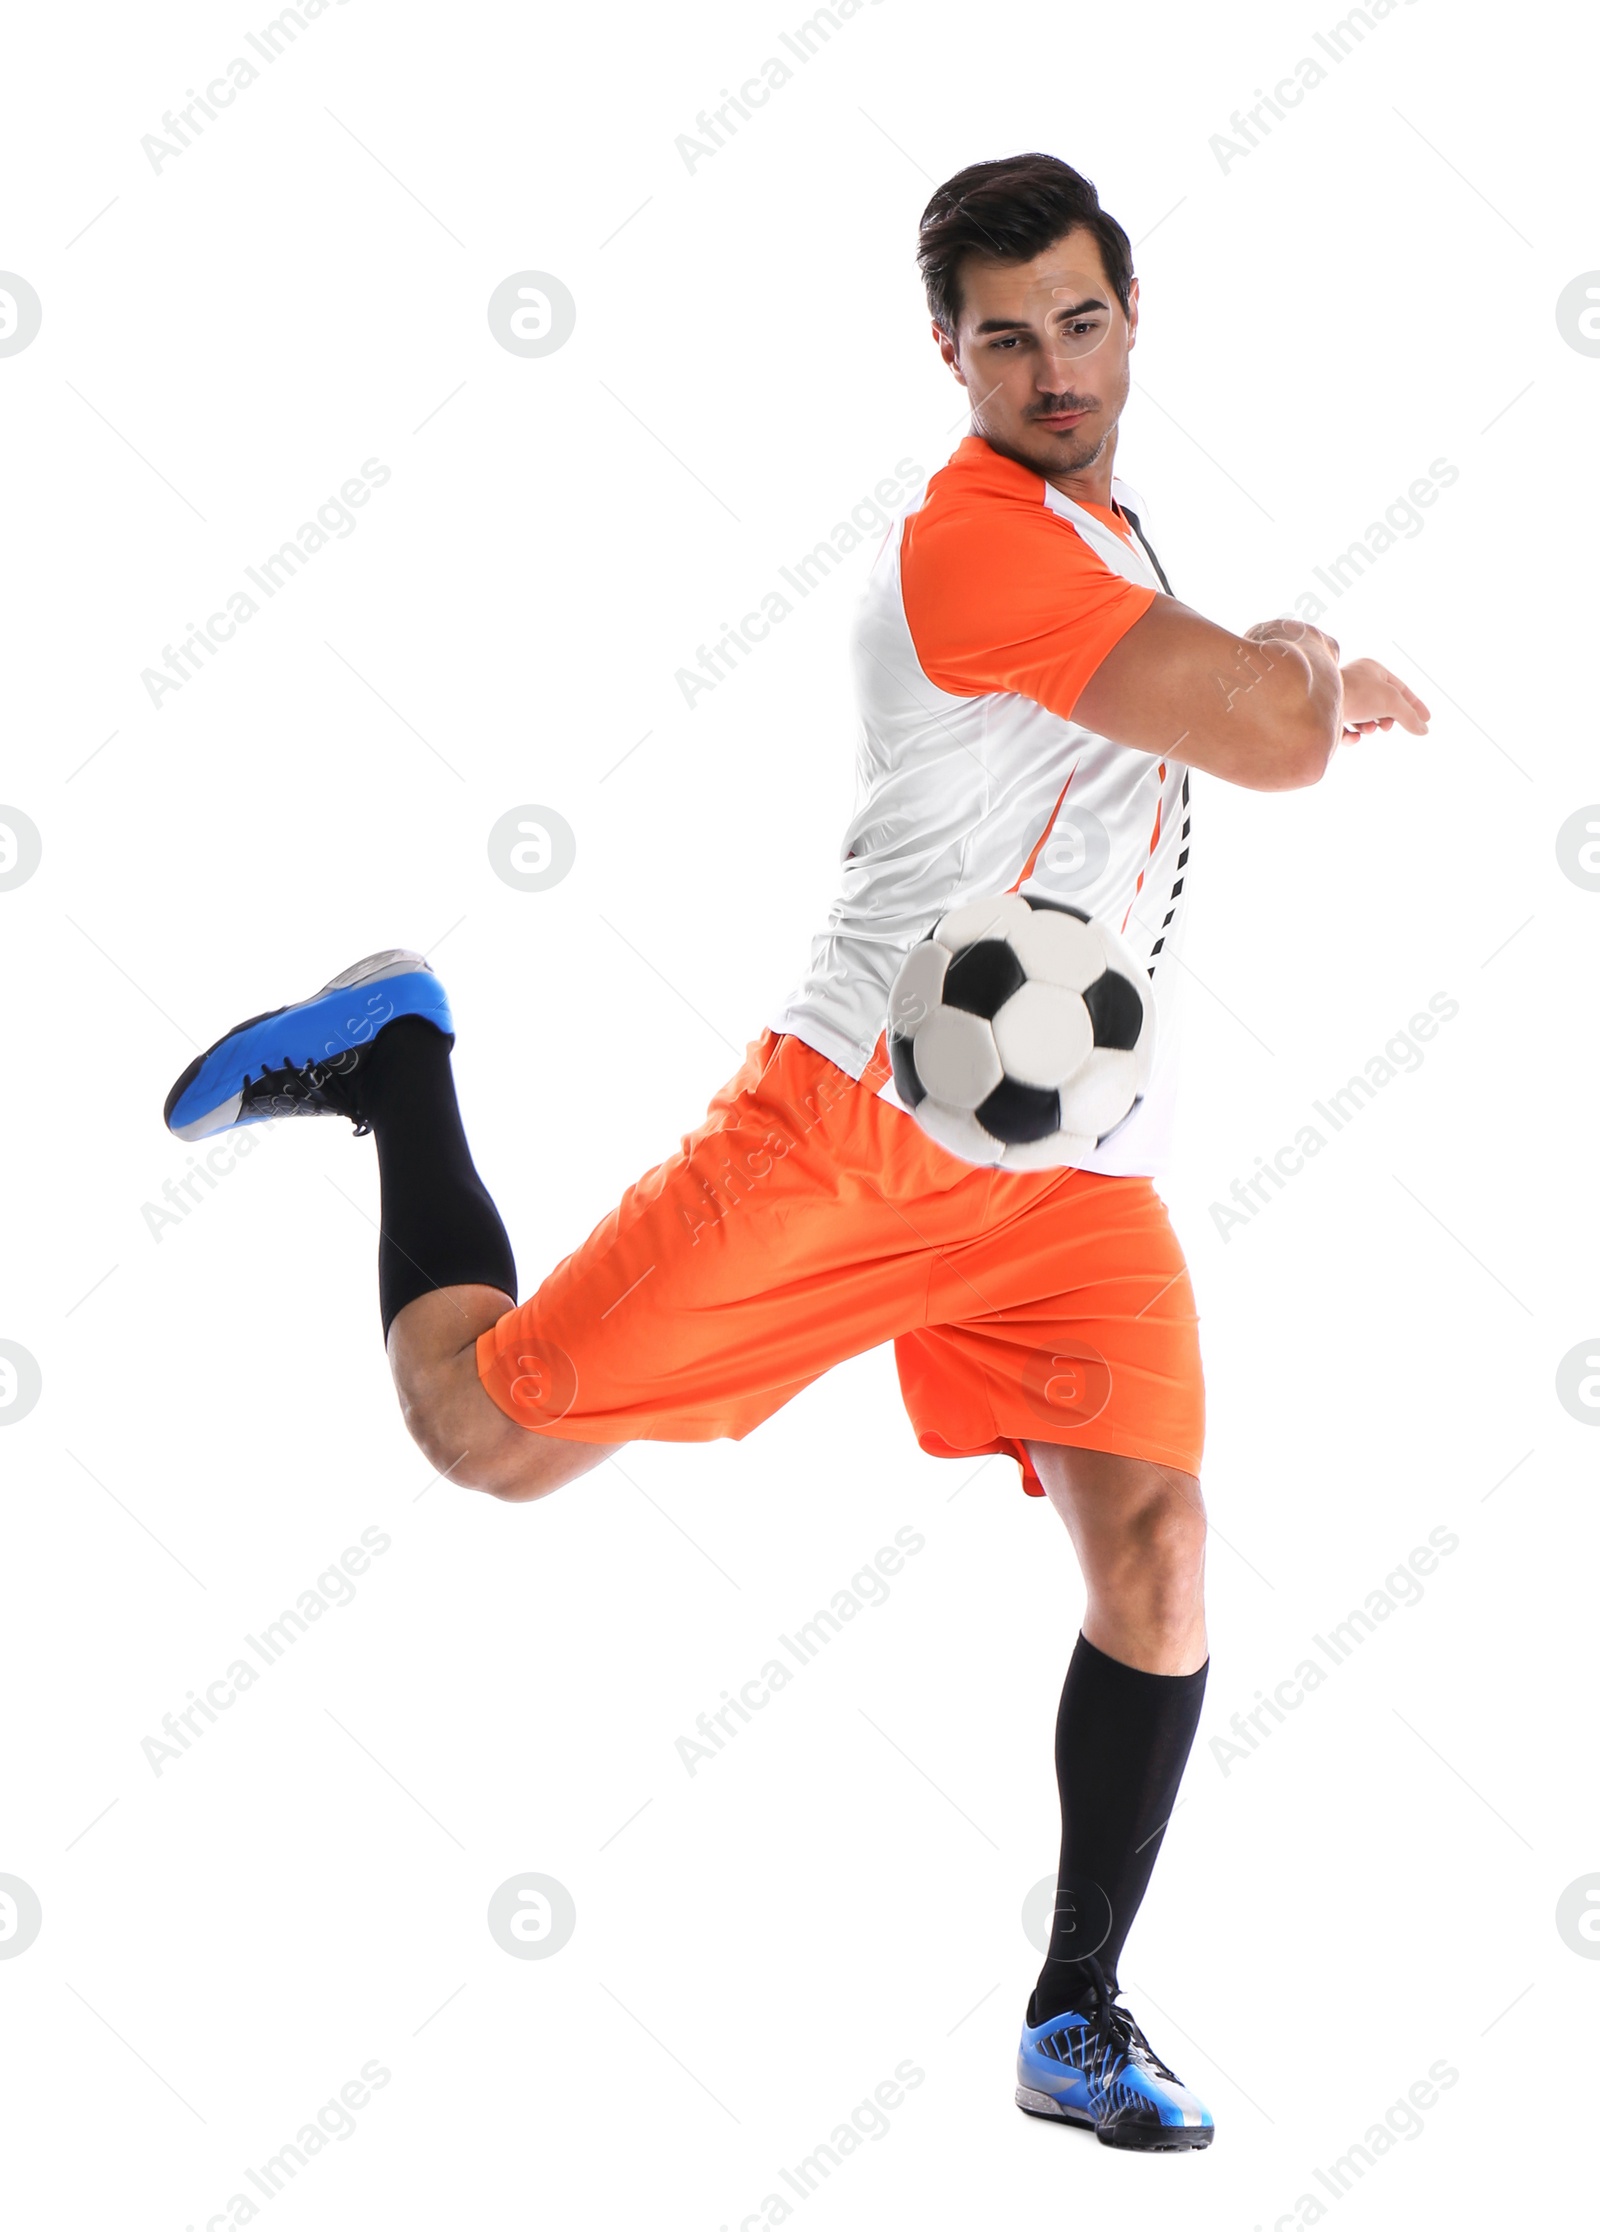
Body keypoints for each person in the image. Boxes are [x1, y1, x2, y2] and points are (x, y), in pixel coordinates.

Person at [163, 152, 1428, 2152]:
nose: (1049, 367)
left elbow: (1213, 706)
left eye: (1078, 321)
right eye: (1002, 337)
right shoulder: (974, 544)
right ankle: (403, 1065)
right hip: (847, 1129)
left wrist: (1276, 657)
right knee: (489, 1439)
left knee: (1163, 1557)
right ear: (944, 353)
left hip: (1066, 1179)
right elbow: (1263, 743)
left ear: (1127, 318)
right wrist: (1307, 663)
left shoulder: (1101, 528)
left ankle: (1074, 2011)